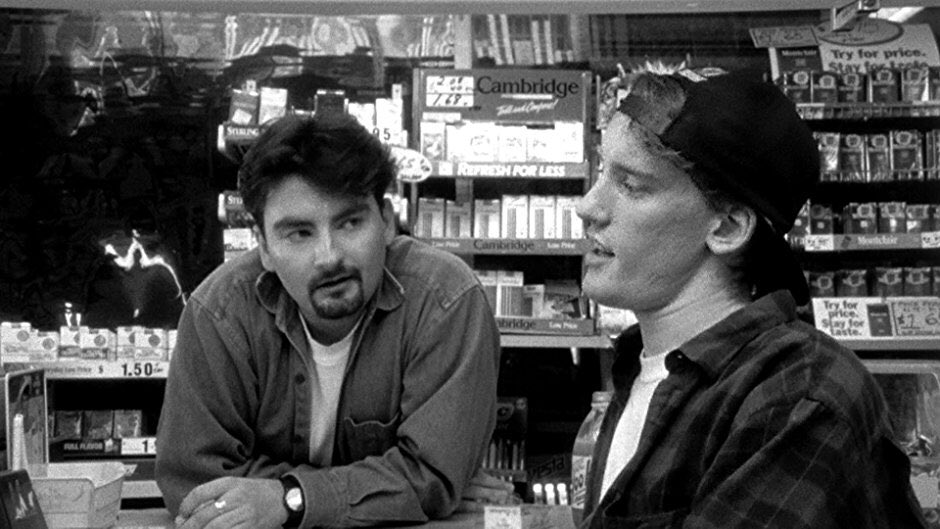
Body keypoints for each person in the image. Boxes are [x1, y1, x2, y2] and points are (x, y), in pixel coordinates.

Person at [575, 68, 927, 528]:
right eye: (603, 171)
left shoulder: (798, 397)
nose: (587, 207)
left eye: (631, 185)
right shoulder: (644, 368)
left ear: (726, 227)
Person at [155, 113, 507, 528]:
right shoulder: (219, 313)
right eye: (299, 233)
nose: (329, 256)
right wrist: (392, 492)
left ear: (387, 221)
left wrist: (287, 499)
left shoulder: (446, 300)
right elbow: (196, 483)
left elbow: (432, 475)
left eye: (350, 222)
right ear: (263, 246)